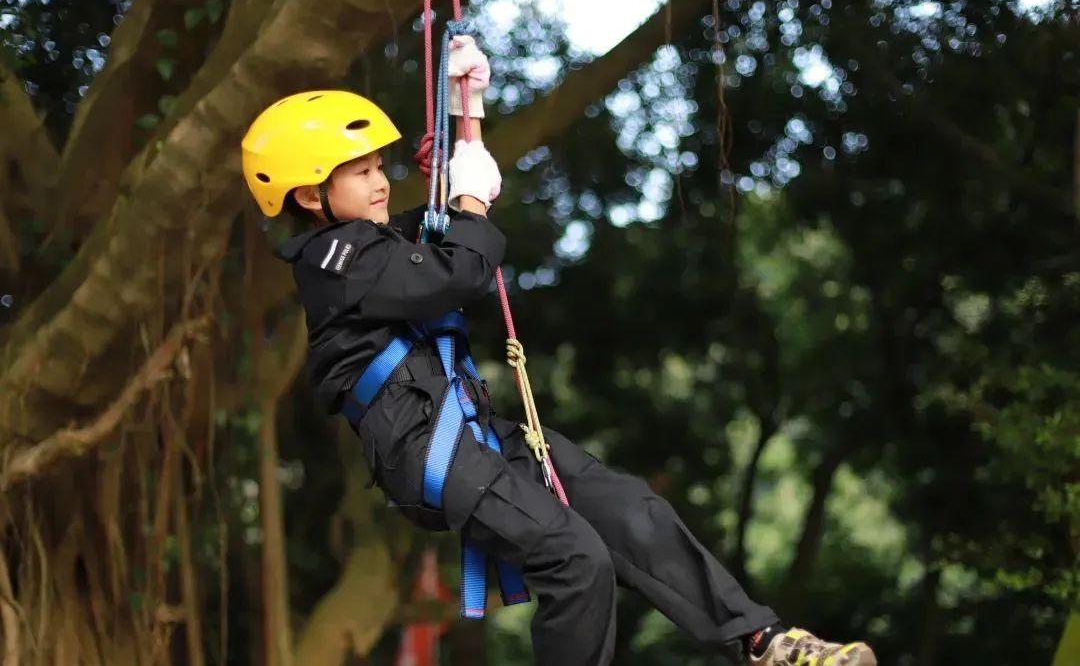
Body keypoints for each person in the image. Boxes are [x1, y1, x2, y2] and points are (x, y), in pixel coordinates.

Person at [240, 36, 877, 666]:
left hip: (470, 431)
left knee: (629, 510)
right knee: (574, 561)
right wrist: (468, 199)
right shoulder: (333, 259)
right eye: (361, 173)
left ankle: (761, 643)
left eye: (379, 166)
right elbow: (460, 269)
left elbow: (445, 229)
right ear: (307, 196)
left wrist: (470, 123)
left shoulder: (373, 244)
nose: (381, 180)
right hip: (423, 446)